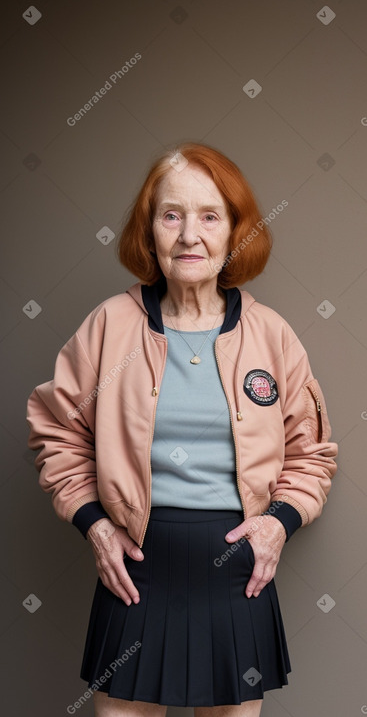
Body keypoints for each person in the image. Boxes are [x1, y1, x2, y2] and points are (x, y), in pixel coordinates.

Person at [26, 142, 338, 717]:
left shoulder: (271, 335)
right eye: (171, 215)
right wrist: (94, 525)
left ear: (234, 233)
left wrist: (278, 524)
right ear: (149, 234)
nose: (189, 235)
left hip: (237, 573)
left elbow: (312, 454)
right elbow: (56, 433)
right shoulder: (109, 325)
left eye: (209, 216)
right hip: (134, 572)